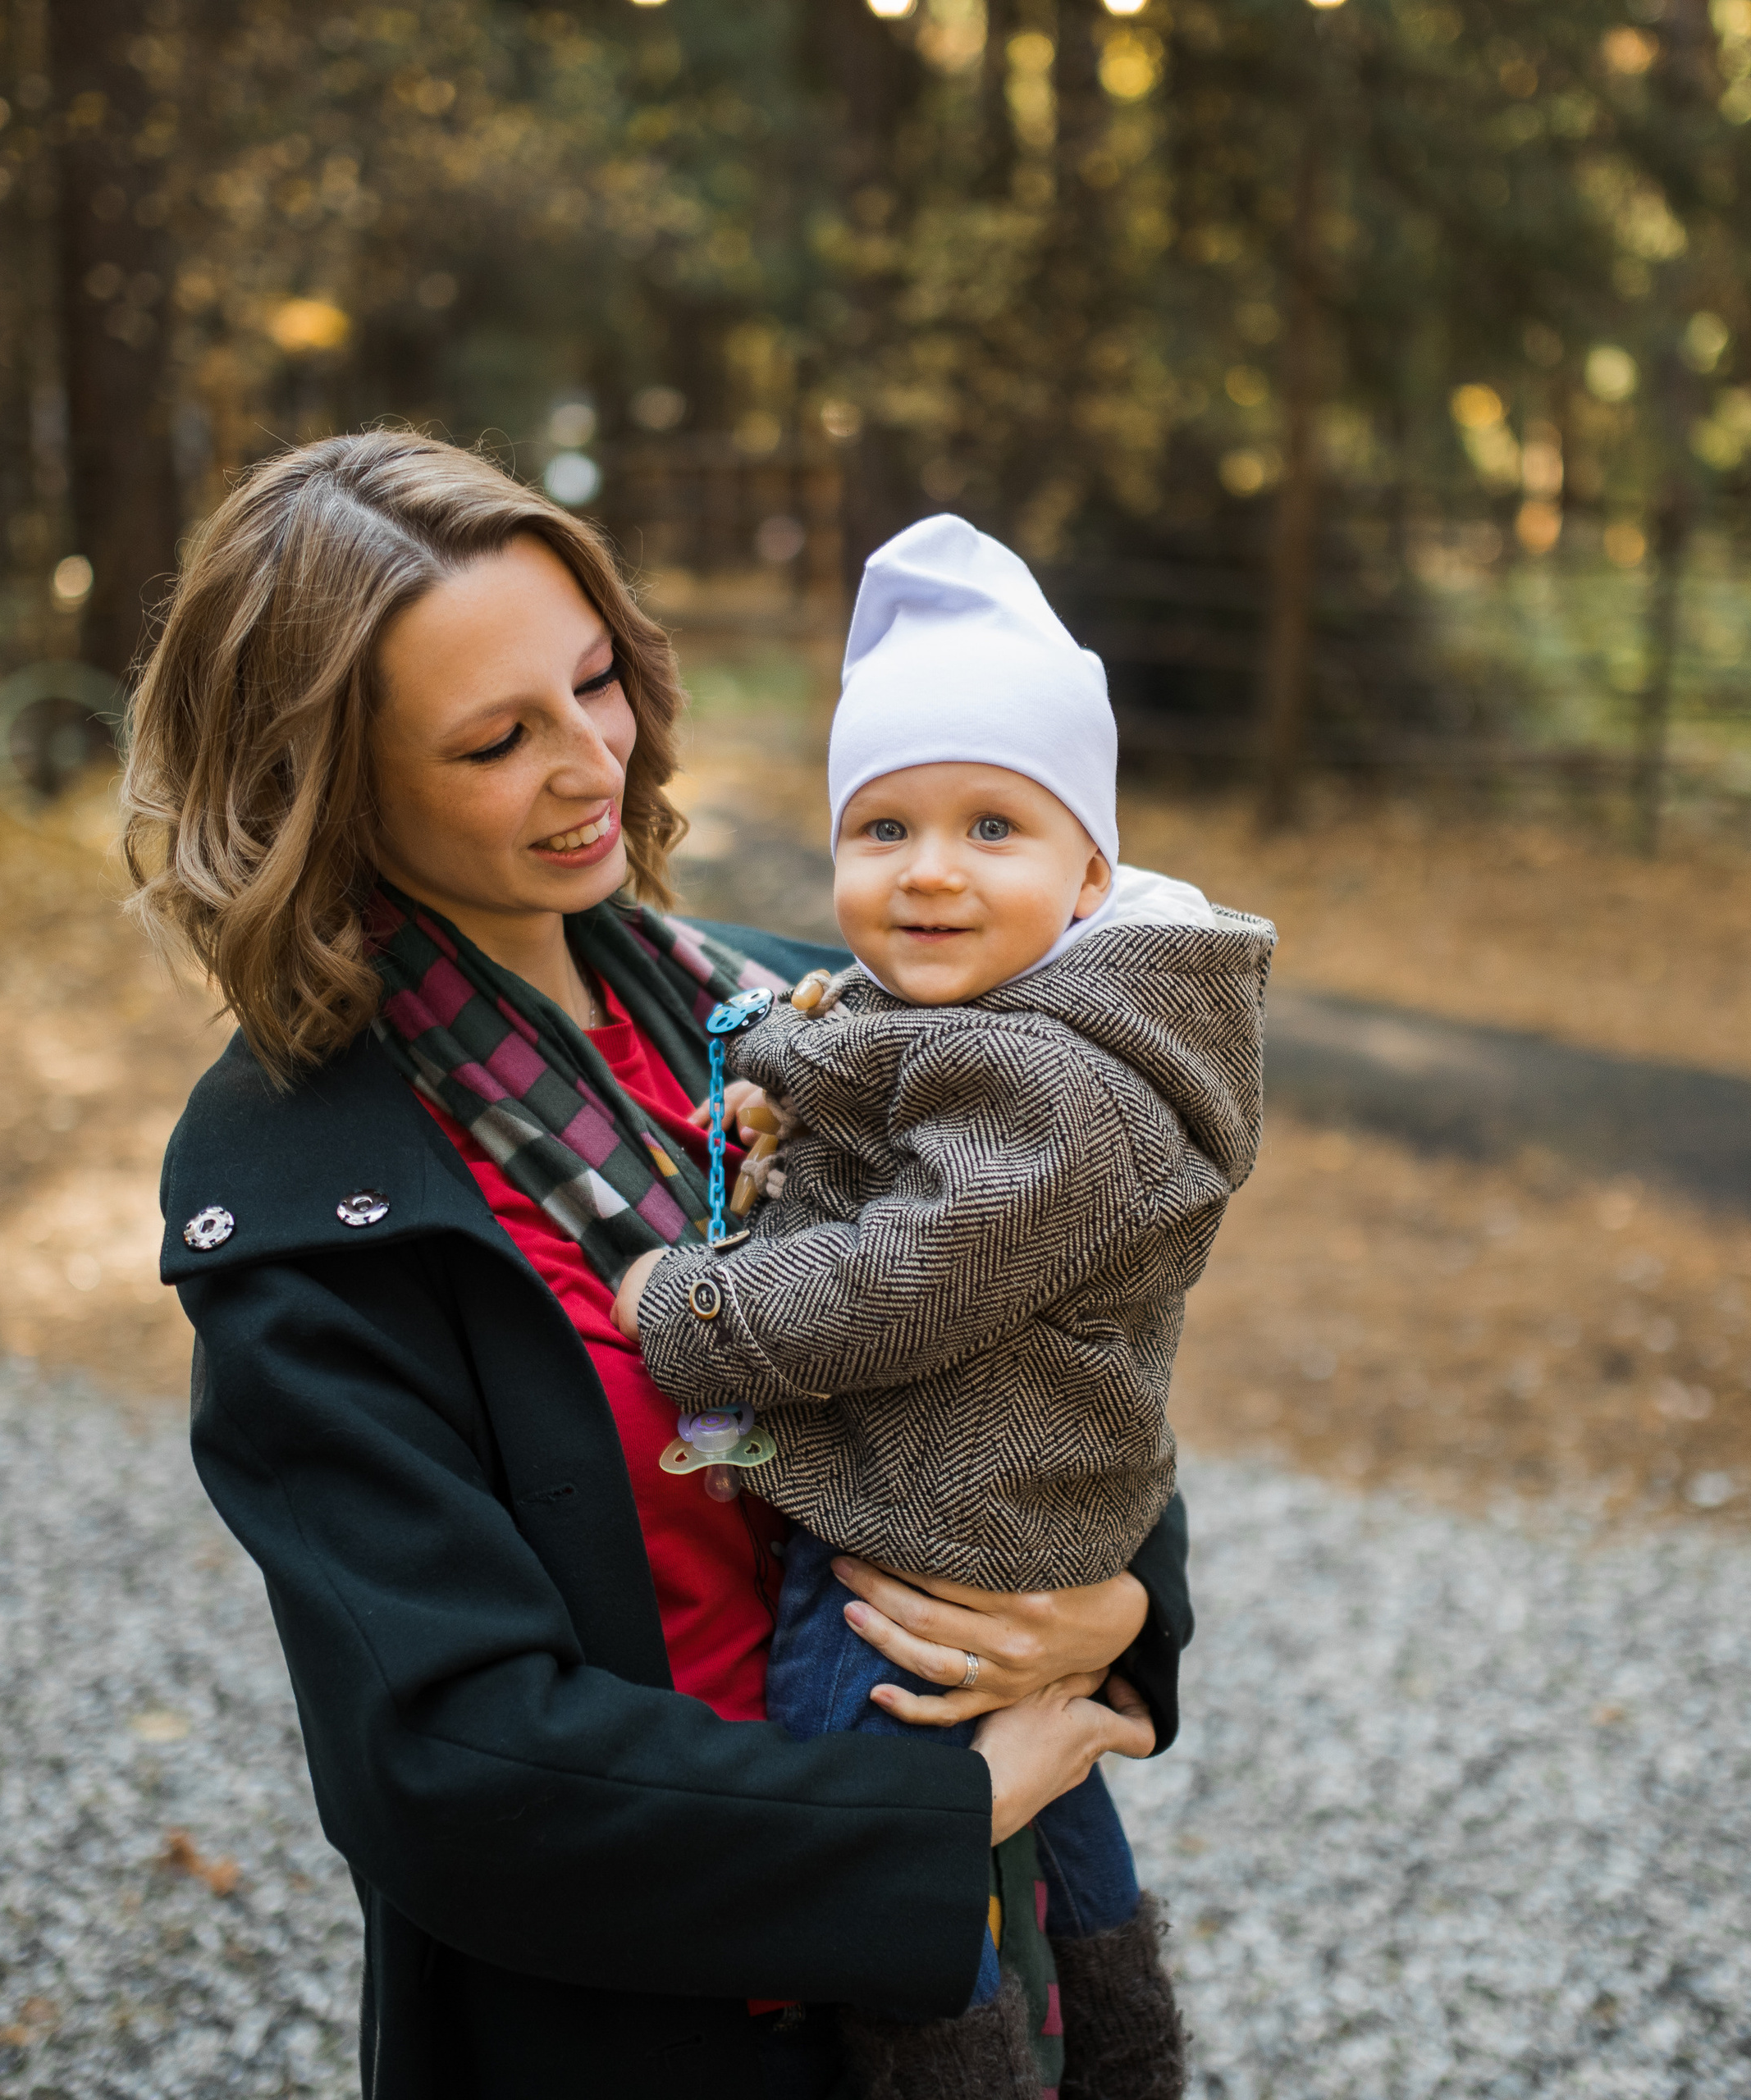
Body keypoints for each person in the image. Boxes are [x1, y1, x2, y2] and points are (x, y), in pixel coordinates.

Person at [121, 431, 1196, 2100]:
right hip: (656, 2027)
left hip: (996, 1945)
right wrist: (939, 1808)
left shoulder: (804, 1014)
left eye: (597, 681)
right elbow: (450, 1763)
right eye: (496, 738)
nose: (588, 763)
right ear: (325, 789)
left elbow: (1066, 1327)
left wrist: (1120, 1607)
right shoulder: (310, 1192)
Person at [611, 514, 1273, 2096]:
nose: (927, 870)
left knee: (885, 1857)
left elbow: (904, 1283)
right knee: (1054, 1820)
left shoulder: (1054, 1081)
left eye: (993, 828)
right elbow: (892, 1101)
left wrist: (689, 1307)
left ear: (1091, 871)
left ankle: (949, 2066)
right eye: (883, 826)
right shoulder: (1012, 1033)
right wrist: (800, 1104)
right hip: (1010, 1538)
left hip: (925, 1551)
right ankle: (1121, 2047)